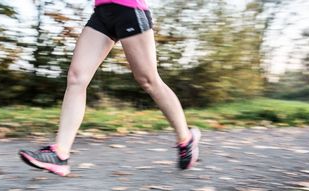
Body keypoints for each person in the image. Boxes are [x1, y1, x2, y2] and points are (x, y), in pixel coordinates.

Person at [19, 0, 201, 176]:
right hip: (102, 12)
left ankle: (186, 139)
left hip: (129, 9)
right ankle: (60, 154)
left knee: (148, 80)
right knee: (77, 77)